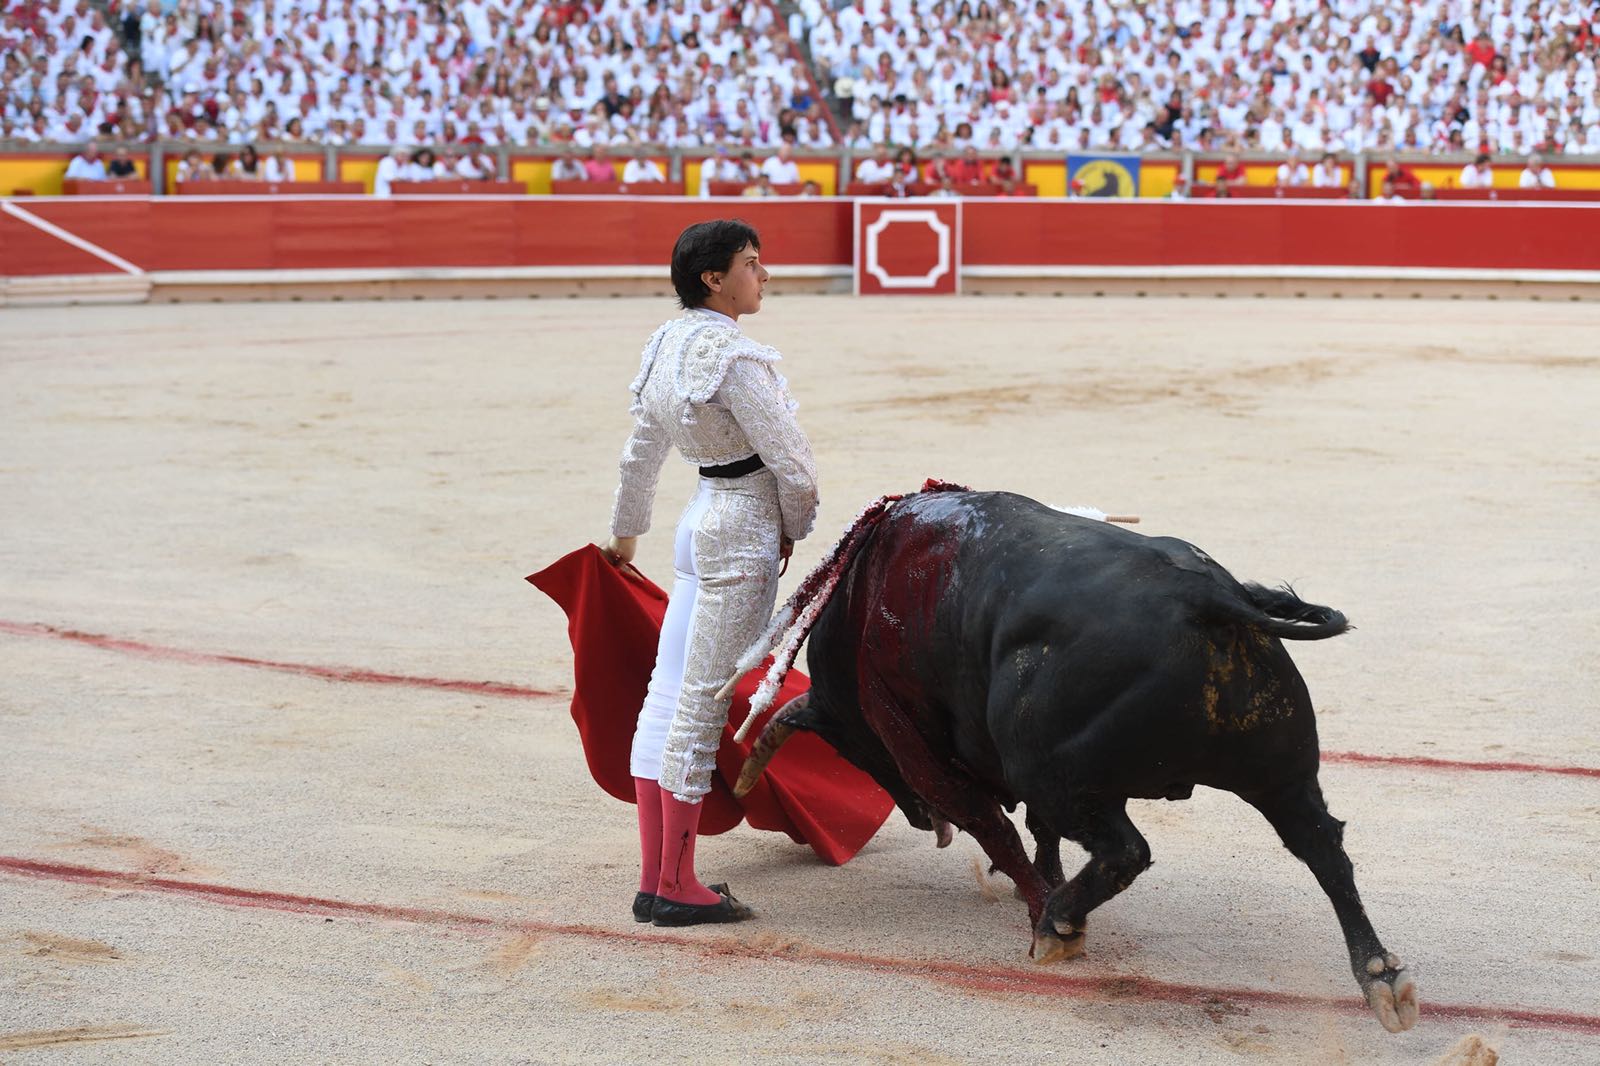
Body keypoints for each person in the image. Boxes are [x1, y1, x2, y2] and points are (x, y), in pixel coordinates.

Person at [602, 219, 818, 926]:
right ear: (713, 279)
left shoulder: (665, 344)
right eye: (751, 265)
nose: (764, 275)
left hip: (696, 523)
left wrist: (625, 534)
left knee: (665, 698)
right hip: (741, 531)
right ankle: (676, 885)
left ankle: (655, 877)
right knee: (699, 706)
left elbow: (640, 455)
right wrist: (791, 529)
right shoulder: (735, 358)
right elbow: (793, 468)